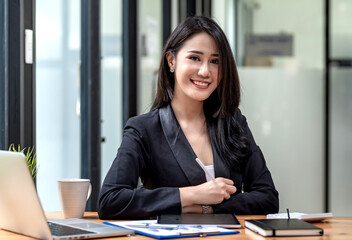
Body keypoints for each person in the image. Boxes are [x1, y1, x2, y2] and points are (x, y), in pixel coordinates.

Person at [98, 16, 279, 219]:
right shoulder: (143, 129)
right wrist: (192, 194)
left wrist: (208, 208)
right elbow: (110, 200)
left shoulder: (233, 122)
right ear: (171, 60)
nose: (205, 71)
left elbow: (268, 199)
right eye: (195, 58)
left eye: (215, 61)